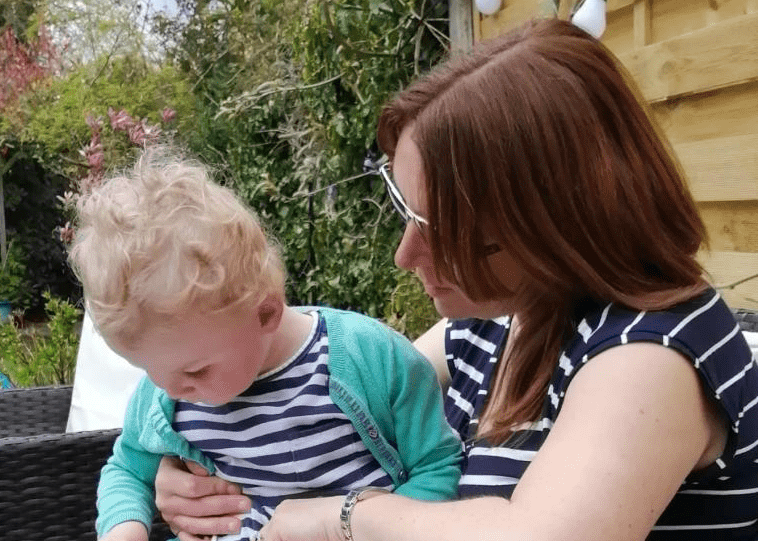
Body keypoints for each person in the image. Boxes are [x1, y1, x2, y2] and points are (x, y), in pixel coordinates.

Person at [149, 18, 758, 541]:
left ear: (548, 224)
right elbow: (337, 396)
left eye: (434, 227)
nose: (404, 254)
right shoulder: (504, 320)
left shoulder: (653, 354)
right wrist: (187, 467)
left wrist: (346, 515)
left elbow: (536, 535)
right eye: (403, 209)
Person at [66, 147, 462, 541]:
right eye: (150, 371)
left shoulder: (370, 359)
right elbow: (128, 469)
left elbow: (437, 466)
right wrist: (124, 530)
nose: (169, 389)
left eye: (195, 371)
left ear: (265, 314)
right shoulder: (167, 392)